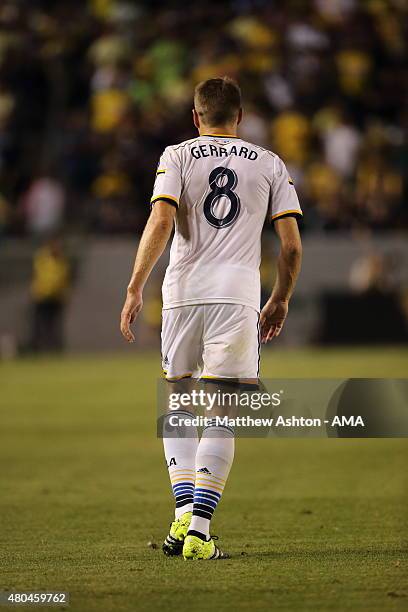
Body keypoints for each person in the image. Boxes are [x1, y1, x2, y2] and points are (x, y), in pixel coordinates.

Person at [120, 77, 302, 560]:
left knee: (177, 405)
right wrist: (280, 298)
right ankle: (198, 530)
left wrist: (137, 284)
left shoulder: (176, 155)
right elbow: (290, 245)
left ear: (196, 117)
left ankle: (182, 515)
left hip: (182, 295)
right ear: (240, 117)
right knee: (222, 411)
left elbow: (161, 220)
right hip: (238, 299)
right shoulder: (269, 163)